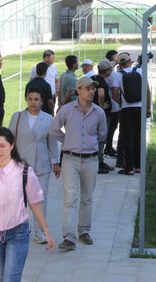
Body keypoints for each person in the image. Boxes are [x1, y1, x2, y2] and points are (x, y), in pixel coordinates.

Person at [0, 127, 55, 282]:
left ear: (12, 145)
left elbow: (35, 204)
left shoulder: (25, 172)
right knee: (1, 278)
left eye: (2, 146)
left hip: (18, 233)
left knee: (11, 278)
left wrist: (46, 231)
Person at [49, 76, 107, 250]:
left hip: (90, 159)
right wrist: (67, 140)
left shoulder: (99, 112)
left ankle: (84, 231)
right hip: (70, 159)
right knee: (70, 199)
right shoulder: (66, 110)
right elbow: (53, 129)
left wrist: (90, 142)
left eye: (93, 89)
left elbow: (102, 135)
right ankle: (68, 237)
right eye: (87, 88)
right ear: (78, 91)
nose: (91, 92)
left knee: (87, 198)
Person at [8, 86, 60, 244]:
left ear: (42, 101)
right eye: (30, 99)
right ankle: (20, 228)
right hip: (21, 165)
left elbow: (53, 143)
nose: (33, 102)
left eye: (36, 99)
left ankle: (40, 231)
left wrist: (55, 162)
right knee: (20, 198)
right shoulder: (17, 117)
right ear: (26, 99)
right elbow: (9, 141)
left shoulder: (48, 118)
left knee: (40, 199)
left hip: (42, 164)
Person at [113, 53, 151, 175]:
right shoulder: (140, 71)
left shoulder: (118, 75)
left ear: (119, 64)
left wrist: (121, 102)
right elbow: (147, 91)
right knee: (138, 137)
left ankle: (129, 168)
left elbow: (114, 94)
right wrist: (148, 107)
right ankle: (138, 166)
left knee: (127, 138)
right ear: (130, 61)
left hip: (126, 109)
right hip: (140, 108)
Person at [92, 59, 116, 174]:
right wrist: (101, 107)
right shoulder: (101, 81)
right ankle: (98, 163)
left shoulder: (93, 79)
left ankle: (100, 161)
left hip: (92, 113)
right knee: (101, 138)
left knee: (98, 138)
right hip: (101, 115)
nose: (111, 70)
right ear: (106, 71)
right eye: (110, 69)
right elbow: (101, 94)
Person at [104, 50, 120, 158]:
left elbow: (115, 63)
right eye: (116, 57)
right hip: (113, 104)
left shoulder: (111, 69)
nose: (118, 59)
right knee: (112, 127)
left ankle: (109, 147)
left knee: (113, 127)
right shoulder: (109, 73)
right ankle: (108, 148)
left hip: (113, 104)